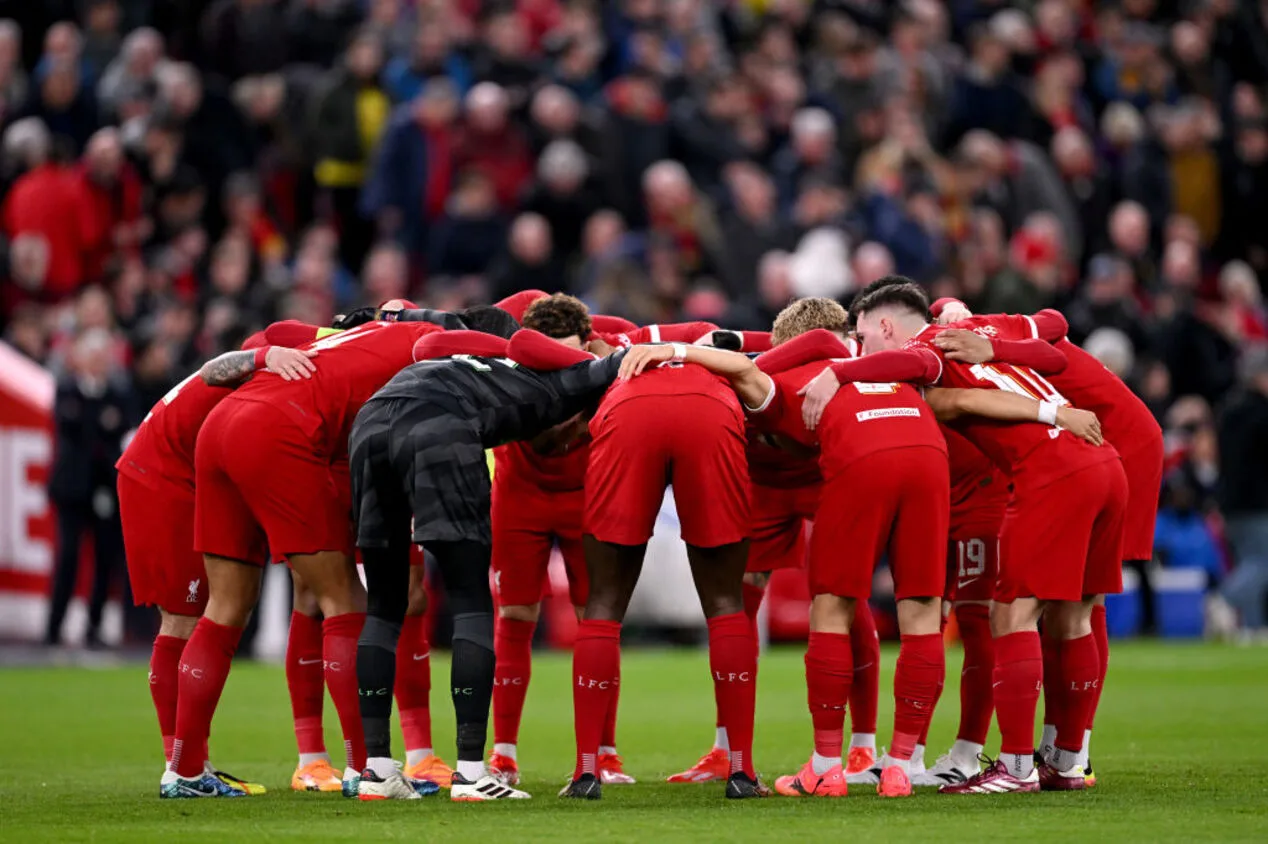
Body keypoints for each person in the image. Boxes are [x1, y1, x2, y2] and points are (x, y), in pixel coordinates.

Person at [799, 280, 1127, 795]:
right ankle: (1068, 760)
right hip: (1104, 462)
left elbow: (953, 390)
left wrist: (836, 372)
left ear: (885, 326)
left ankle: (1015, 767)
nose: (861, 348)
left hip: (1052, 471)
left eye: (862, 337)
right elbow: (1053, 350)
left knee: (1011, 616)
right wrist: (986, 340)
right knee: (1075, 616)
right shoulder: (978, 330)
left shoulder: (928, 348)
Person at [164, 306, 462, 799]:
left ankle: (184, 771)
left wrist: (263, 356)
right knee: (344, 599)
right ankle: (368, 770)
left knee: (225, 606)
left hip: (219, 428)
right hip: (278, 430)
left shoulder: (345, 338)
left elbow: (248, 350)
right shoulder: (428, 342)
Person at [349, 321, 625, 801]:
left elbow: (434, 340)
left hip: (370, 421)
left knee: (384, 607)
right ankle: (471, 774)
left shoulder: (483, 361)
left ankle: (375, 771)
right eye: (575, 432)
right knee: (470, 600)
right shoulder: (559, 389)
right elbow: (616, 365)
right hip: (441, 424)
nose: (569, 444)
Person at [930, 295, 1166, 784]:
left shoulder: (979, 340)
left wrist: (992, 349)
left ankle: (1062, 754)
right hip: (1094, 447)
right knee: (1070, 607)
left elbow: (1054, 330)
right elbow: (1049, 334)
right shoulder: (982, 333)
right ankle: (1064, 754)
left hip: (1108, 440)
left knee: (1069, 604)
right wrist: (957, 310)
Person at [666, 298, 884, 786]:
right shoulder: (793, 363)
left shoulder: (829, 363)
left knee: (832, 599)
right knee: (752, 607)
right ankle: (733, 748)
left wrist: (740, 352)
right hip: (769, 485)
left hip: (823, 480)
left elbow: (823, 342)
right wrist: (739, 346)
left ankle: (861, 746)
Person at [547, 331, 764, 802]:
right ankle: (741, 771)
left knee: (603, 603)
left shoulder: (615, 348)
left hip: (628, 410)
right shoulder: (717, 349)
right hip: (711, 411)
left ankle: (586, 771)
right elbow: (798, 342)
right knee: (725, 602)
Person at [118, 323, 320, 797]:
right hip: (165, 480)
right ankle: (183, 770)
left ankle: (188, 763)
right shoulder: (255, 367)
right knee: (184, 619)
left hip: (169, 474)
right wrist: (264, 358)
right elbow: (218, 367)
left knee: (190, 618)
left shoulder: (258, 373)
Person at [484, 294, 633, 787]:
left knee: (598, 620)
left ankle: (604, 754)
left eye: (564, 354)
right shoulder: (506, 353)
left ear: (587, 343)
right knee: (515, 615)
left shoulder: (615, 351)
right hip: (519, 496)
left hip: (588, 497)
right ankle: (503, 755)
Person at [45, 328, 134, 648]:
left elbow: (123, 431)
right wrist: (101, 425)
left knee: (105, 559)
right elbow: (77, 430)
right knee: (68, 557)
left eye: (103, 357)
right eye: (93, 356)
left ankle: (94, 626)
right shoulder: (68, 388)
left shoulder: (118, 392)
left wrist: (98, 426)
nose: (99, 363)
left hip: (105, 487)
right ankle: (54, 626)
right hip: (72, 489)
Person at [1216, 346, 1268, 636]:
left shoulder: (1230, 409)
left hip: (1232, 502)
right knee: (1262, 562)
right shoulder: (1260, 413)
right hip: (1256, 502)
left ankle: (1252, 627)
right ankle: (1225, 598)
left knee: (1249, 561)